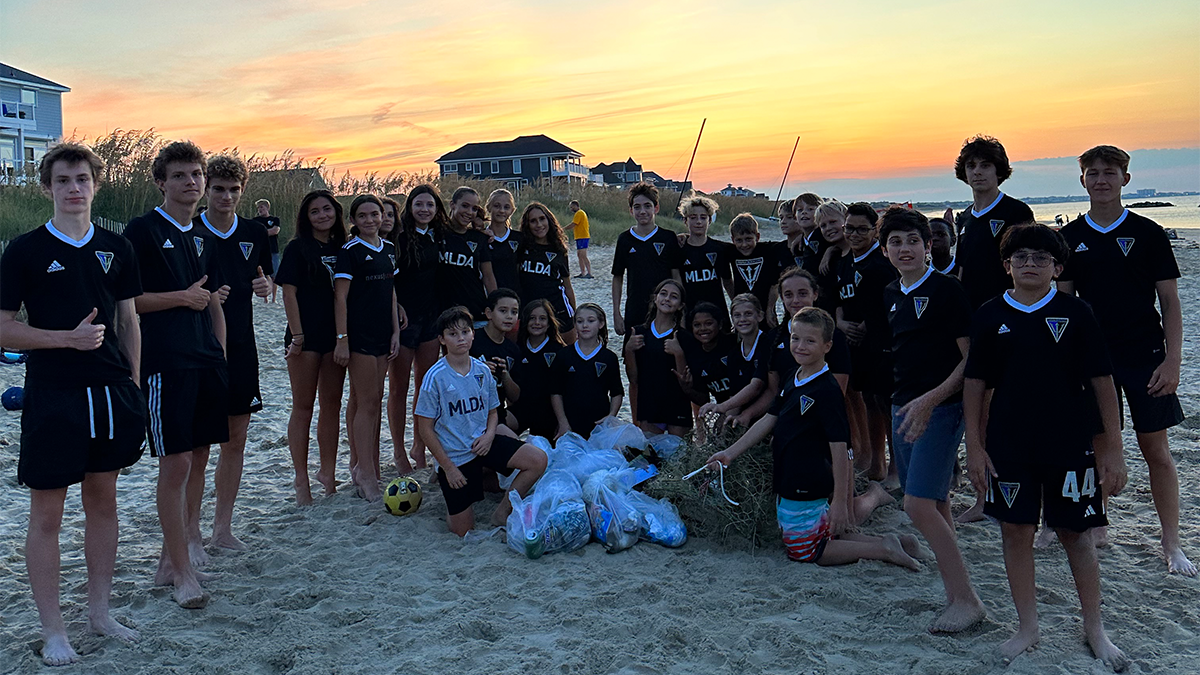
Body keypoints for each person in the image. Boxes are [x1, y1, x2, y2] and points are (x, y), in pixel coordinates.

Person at [0, 143, 146, 664]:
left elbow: (128, 320)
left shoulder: (117, 246)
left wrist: (133, 383)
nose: (73, 189)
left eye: (82, 179)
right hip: (53, 395)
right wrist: (66, 339)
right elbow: (4, 329)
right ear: (47, 188)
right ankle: (54, 630)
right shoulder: (24, 250)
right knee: (47, 513)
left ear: (95, 185)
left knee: (103, 502)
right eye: (62, 180)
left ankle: (99, 613)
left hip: (110, 394)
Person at [964, 223, 1129, 670]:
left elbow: (1102, 381)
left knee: (1076, 535)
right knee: (1015, 531)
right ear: (1006, 266)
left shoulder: (1077, 312)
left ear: (1057, 268)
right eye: (1020, 257)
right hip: (1009, 444)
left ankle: (1095, 628)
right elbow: (975, 384)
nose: (1030, 264)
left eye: (1041, 258)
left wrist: (1113, 449)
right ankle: (1028, 627)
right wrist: (974, 447)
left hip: (1070, 443)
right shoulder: (989, 314)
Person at [1058, 145, 1193, 576]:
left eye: (1110, 172)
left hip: (1145, 355)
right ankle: (1099, 524)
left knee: (1156, 449)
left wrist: (1173, 361)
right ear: (1082, 180)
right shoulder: (1069, 238)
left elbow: (1170, 302)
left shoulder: (1149, 233)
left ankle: (1171, 542)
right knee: (1099, 442)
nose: (1101, 179)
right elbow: (1065, 305)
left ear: (1125, 179)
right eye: (1093, 173)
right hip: (1093, 359)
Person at [705, 308, 921, 570]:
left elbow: (841, 449)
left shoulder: (827, 390)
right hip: (788, 475)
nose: (800, 346)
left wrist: (840, 501)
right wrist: (730, 453)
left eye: (810, 341)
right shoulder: (792, 377)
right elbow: (768, 420)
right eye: (795, 338)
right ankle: (901, 542)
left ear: (827, 346)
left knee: (804, 550)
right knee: (823, 534)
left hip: (809, 479)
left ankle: (883, 550)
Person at [122, 140, 227, 609]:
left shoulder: (202, 235)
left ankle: (172, 559)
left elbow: (211, 300)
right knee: (176, 462)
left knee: (199, 456)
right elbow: (128, 301)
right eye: (180, 175)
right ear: (161, 182)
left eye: (196, 174)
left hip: (205, 358)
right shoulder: (142, 230)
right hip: (166, 360)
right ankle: (181, 572)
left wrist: (219, 349)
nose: (190, 182)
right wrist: (181, 298)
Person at [879, 207, 985, 633]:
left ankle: (967, 599)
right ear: (885, 251)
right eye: (896, 242)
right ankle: (954, 590)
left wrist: (931, 400)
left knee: (916, 505)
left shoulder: (946, 290)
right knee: (935, 502)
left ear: (928, 247)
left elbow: (971, 359)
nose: (904, 249)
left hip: (941, 409)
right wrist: (906, 402)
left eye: (913, 241)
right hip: (901, 405)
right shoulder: (891, 292)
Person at [415, 307, 548, 536]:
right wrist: (448, 468)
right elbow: (424, 429)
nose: (461, 338)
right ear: (442, 339)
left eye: (465, 332)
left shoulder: (482, 371)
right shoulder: (435, 377)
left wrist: (488, 436)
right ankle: (455, 491)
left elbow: (493, 412)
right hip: (455, 456)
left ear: (473, 334)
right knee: (463, 530)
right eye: (453, 334)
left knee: (538, 459)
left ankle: (502, 511)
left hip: (483, 445)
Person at [195, 155, 272, 550]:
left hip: (242, 345)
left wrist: (265, 286)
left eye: (234, 189)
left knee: (235, 440)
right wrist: (206, 298)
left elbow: (263, 276)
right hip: (198, 348)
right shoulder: (191, 230)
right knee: (198, 447)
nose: (226, 196)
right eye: (219, 189)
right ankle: (190, 533)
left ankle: (222, 528)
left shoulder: (254, 232)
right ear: (206, 189)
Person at [276, 190, 347, 504]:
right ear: (306, 217)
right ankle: (301, 478)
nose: (322, 215)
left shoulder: (344, 246)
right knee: (303, 407)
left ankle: (327, 473)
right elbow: (288, 294)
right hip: (304, 337)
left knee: (331, 405)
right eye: (315, 211)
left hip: (336, 336)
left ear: (336, 212)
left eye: (327, 209)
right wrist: (298, 335)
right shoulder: (297, 248)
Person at [333, 195, 404, 501]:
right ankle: (364, 470)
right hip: (359, 336)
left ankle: (367, 466)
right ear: (353, 220)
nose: (370, 220)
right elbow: (340, 298)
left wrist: (396, 331)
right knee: (368, 403)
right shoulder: (350, 251)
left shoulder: (388, 249)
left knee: (376, 398)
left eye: (375, 214)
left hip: (383, 335)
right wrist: (342, 339)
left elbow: (391, 293)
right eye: (362, 215)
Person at [836, 203, 898, 483]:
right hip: (856, 345)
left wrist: (867, 325)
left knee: (887, 404)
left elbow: (891, 301)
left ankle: (896, 467)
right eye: (849, 228)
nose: (854, 234)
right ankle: (877, 462)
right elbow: (838, 299)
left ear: (875, 231)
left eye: (862, 229)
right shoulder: (844, 262)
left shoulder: (882, 263)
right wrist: (841, 322)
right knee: (869, 401)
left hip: (882, 345)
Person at [389, 185, 445, 472]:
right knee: (398, 388)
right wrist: (395, 307)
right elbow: (388, 280)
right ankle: (399, 450)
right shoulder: (397, 238)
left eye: (430, 205)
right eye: (419, 204)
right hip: (404, 320)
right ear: (409, 207)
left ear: (437, 209)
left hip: (431, 318)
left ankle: (419, 445)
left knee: (425, 389)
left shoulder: (439, 236)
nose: (424, 209)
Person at [953, 135, 1036, 310]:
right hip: (971, 309)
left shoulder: (1017, 211)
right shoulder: (965, 217)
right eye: (971, 166)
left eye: (985, 165)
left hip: (1008, 307)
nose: (977, 172)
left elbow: (1030, 262)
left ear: (998, 170)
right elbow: (961, 267)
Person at [610, 181, 682, 336]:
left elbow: (676, 275)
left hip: (665, 308)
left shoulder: (668, 237)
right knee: (633, 348)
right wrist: (616, 313)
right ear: (631, 211)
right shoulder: (624, 239)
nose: (642, 211)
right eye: (637, 207)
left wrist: (681, 307)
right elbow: (617, 276)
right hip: (635, 308)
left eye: (647, 206)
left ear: (656, 208)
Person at [625, 279, 692, 437]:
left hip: (677, 406)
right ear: (655, 298)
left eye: (674, 296)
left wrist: (679, 353)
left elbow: (686, 383)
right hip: (650, 406)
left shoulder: (684, 337)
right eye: (663, 294)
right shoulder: (637, 333)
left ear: (681, 305)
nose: (667, 299)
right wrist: (629, 350)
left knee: (679, 451)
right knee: (650, 452)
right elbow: (633, 379)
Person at [550, 303, 624, 439]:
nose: (585, 325)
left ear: (601, 324)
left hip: (599, 425)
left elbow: (617, 392)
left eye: (591, 321)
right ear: (574, 324)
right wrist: (562, 422)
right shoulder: (564, 355)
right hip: (569, 424)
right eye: (580, 321)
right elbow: (555, 392)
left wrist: (610, 417)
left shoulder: (609, 357)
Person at [515, 202, 577, 343]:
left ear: (549, 220)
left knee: (566, 351)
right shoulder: (521, 246)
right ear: (527, 225)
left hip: (558, 309)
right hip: (529, 310)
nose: (539, 224)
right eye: (533, 221)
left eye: (542, 219)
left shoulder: (559, 249)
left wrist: (575, 315)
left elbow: (567, 286)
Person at [438, 187, 497, 325]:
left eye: (474, 208)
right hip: (442, 313)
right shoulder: (437, 233)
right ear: (452, 205)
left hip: (475, 311)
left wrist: (495, 307)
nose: (469, 212)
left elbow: (488, 276)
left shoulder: (479, 238)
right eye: (465, 206)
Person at [508, 299, 566, 438]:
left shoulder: (559, 351)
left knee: (544, 447)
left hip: (548, 412)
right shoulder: (517, 349)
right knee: (497, 425)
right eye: (532, 318)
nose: (537, 323)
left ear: (549, 323)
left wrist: (563, 420)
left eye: (542, 318)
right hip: (521, 408)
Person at [678, 194, 734, 327]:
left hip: (717, 312)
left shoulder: (719, 249)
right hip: (690, 314)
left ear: (709, 220)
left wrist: (736, 304)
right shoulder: (679, 250)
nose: (698, 222)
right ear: (685, 221)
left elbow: (727, 281)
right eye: (693, 217)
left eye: (703, 217)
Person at [470, 289, 522, 430]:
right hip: (471, 413)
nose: (509, 316)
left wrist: (505, 375)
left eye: (514, 312)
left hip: (497, 415)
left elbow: (515, 396)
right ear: (489, 313)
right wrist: (478, 369)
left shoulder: (513, 350)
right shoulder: (471, 341)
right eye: (503, 311)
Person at [670, 301, 736, 407]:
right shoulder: (695, 357)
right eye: (697, 325)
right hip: (726, 410)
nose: (703, 328)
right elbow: (704, 400)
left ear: (720, 324)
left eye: (708, 323)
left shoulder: (734, 344)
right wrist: (687, 389)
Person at [728, 213, 780, 327]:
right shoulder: (731, 252)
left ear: (757, 237)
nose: (744, 244)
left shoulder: (768, 250)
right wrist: (735, 302)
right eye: (739, 240)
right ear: (732, 240)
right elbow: (726, 279)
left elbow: (774, 285)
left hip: (765, 308)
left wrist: (770, 309)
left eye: (748, 239)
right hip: (743, 311)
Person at [485, 189, 523, 299]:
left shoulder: (519, 238)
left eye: (506, 207)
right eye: (497, 206)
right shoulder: (482, 238)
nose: (501, 211)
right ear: (489, 207)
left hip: (516, 298)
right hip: (491, 297)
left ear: (512, 210)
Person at [253, 199, 282, 302]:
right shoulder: (255, 220)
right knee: (263, 274)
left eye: (262, 207)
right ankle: (265, 297)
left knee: (274, 275)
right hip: (261, 251)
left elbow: (275, 231)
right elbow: (254, 233)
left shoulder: (275, 219)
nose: (260, 210)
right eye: (258, 208)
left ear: (267, 208)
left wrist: (262, 233)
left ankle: (274, 298)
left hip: (273, 250)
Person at [565, 199, 592, 279]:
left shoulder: (579, 213)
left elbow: (573, 224)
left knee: (583, 255)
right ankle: (583, 273)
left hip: (583, 236)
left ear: (576, 206)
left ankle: (589, 273)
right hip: (579, 237)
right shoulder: (579, 213)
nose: (571, 209)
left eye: (572, 207)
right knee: (579, 255)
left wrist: (563, 229)